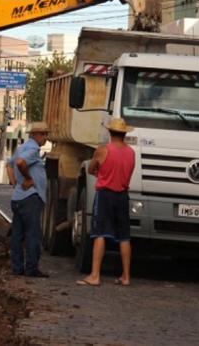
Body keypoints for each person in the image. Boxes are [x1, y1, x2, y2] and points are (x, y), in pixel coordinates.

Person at [77, 117, 136, 287]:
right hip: (123, 195)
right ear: (124, 134)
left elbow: (91, 169)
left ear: (110, 132)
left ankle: (95, 275)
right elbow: (128, 174)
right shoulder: (131, 153)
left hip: (105, 195)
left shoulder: (103, 150)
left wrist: (101, 173)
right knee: (124, 237)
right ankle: (126, 276)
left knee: (100, 233)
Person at [6, 122, 49, 278]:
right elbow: (19, 163)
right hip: (30, 198)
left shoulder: (21, 148)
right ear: (36, 134)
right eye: (44, 134)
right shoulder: (32, 149)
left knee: (17, 234)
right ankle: (31, 268)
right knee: (32, 234)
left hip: (18, 197)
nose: (46, 137)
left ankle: (17, 267)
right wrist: (28, 178)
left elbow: (9, 165)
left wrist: (14, 183)